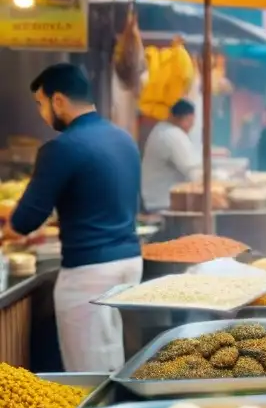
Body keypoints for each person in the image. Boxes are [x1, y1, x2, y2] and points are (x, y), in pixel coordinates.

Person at [6, 64, 142, 372]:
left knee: (87, 371)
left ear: (58, 101)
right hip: (130, 263)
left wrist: (10, 226)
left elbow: (23, 222)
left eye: (40, 104)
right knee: (114, 361)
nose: (42, 113)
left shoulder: (60, 148)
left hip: (88, 272)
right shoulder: (124, 140)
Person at [140, 99, 198, 212]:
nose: (191, 126)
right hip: (164, 204)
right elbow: (193, 172)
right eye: (190, 122)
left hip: (154, 201)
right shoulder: (172, 134)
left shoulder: (161, 130)